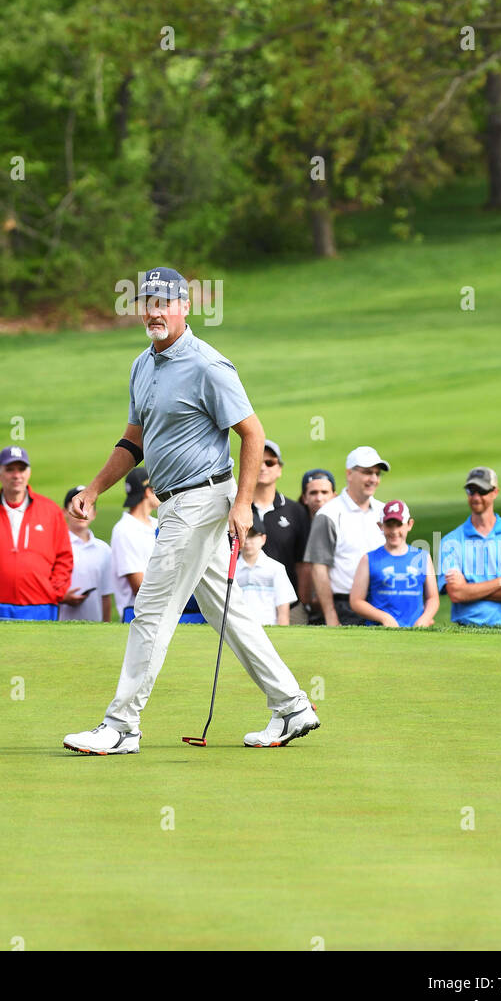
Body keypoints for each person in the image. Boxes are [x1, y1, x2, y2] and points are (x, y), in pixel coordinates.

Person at [64, 265, 318, 754]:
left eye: (166, 302)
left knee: (153, 612)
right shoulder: (142, 364)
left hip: (202, 500)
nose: (155, 311)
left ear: (185, 307)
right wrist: (94, 489)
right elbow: (132, 441)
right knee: (228, 612)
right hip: (174, 503)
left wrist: (243, 503)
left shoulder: (208, 365)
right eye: (148, 302)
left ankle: (121, 726)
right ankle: (292, 707)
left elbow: (253, 434)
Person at [0, 446, 78, 620]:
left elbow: (64, 557)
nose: (16, 475)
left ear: (29, 472)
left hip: (40, 604)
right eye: (10, 470)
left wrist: (54, 591)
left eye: (21, 469)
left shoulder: (50, 511)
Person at [304, 446, 389, 626]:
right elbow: (319, 567)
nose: (373, 479)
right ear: (349, 474)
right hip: (345, 607)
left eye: (377, 473)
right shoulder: (329, 514)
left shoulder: (384, 512)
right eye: (367, 472)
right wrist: (330, 615)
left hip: (383, 603)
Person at [438, 467, 501, 627]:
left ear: (495, 492)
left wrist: (469, 589)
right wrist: (500, 582)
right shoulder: (450, 541)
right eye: (471, 490)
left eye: (482, 490)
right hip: (466, 628)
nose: (476, 497)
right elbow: (456, 593)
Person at [349, 499, 439, 628]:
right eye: (389, 525)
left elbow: (432, 598)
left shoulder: (423, 557)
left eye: (399, 525)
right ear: (380, 526)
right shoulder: (369, 559)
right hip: (380, 631)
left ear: (410, 524)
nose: (394, 531)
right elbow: (356, 601)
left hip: (416, 631)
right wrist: (384, 617)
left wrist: (425, 619)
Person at [251, 439, 310, 625]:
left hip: (290, 605)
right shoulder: (236, 509)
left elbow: (302, 564)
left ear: (279, 469)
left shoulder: (295, 511)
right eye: (257, 461)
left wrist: (302, 599)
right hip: (244, 604)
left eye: (269, 462)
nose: (263, 467)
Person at [110, 467, 159, 622]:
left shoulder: (159, 524)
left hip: (161, 611)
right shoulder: (124, 530)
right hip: (136, 615)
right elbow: (139, 586)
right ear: (147, 492)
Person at [59, 486, 114, 623]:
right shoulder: (57, 545)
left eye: (87, 507)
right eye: (76, 507)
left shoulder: (104, 549)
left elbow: (105, 595)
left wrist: (105, 627)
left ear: (94, 514)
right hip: (60, 624)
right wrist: (62, 597)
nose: (81, 513)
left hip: (94, 625)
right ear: (65, 512)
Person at [234, 513, 296, 626]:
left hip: (269, 629)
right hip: (239, 629)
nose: (247, 541)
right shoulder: (231, 570)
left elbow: (283, 610)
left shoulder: (276, 569)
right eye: (244, 535)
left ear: (263, 539)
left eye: (252, 536)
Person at [296, 468, 336, 624]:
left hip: (335, 603)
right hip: (301, 605)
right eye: (313, 493)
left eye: (325, 492)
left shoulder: (343, 525)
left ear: (334, 495)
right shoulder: (296, 527)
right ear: (304, 498)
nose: (319, 498)